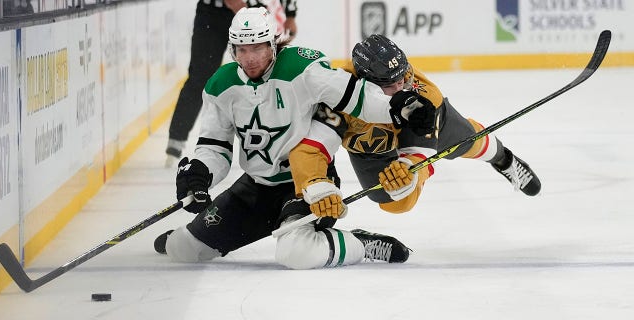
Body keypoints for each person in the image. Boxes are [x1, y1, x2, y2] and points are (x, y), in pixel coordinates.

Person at [154, 8, 436, 269]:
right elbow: (214, 146)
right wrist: (200, 176)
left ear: (272, 44)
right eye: (242, 49)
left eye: (257, 48)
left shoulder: (303, 67)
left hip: (306, 184)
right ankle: (199, 234)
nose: (250, 57)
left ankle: (359, 244)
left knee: (295, 253)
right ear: (232, 49)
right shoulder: (221, 85)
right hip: (255, 187)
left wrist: (402, 107)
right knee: (184, 249)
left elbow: (357, 96)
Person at [289, 34, 541, 219]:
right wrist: (316, 184)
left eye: (403, 78)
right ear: (365, 83)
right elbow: (311, 147)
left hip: (415, 129)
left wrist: (412, 168)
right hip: (371, 143)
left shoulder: (422, 94)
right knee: (395, 202)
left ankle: (503, 159)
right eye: (390, 85)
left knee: (467, 140)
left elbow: (423, 149)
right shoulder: (338, 95)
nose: (401, 88)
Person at [165, 0, 299, 167]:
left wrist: (291, 14)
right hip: (213, 14)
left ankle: (272, 143)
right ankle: (175, 141)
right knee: (200, 77)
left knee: (265, 73)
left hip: (255, 13)